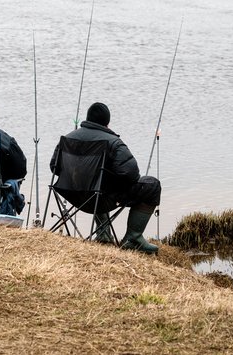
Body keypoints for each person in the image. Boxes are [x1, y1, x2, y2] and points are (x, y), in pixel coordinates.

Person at [50, 101, 161, 253]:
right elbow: (132, 174)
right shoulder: (113, 142)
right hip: (100, 200)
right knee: (152, 185)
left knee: (99, 181)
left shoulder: (67, 139)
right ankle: (132, 238)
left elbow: (54, 167)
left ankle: (104, 234)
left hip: (74, 196)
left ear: (87, 119)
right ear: (107, 123)